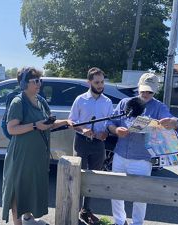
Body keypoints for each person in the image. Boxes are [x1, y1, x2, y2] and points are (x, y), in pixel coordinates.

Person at [2, 67, 72, 225]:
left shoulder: (40, 100)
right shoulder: (18, 102)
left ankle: (28, 216)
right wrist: (34, 126)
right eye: (35, 81)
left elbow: (48, 124)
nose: (39, 83)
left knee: (31, 186)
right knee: (18, 189)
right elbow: (11, 129)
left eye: (40, 80)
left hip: (38, 154)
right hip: (21, 155)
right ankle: (18, 222)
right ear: (24, 83)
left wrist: (66, 122)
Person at [107, 73, 178, 225]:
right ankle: (119, 222)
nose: (146, 94)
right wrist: (115, 130)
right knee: (116, 190)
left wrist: (173, 123)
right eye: (143, 90)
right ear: (138, 88)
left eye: (150, 91)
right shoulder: (125, 102)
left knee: (140, 195)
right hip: (120, 155)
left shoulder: (159, 106)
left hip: (142, 159)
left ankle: (137, 223)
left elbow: (173, 120)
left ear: (155, 91)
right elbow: (111, 122)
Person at [69, 67, 114, 225]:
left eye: (102, 82)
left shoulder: (107, 102)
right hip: (81, 142)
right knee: (78, 176)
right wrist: (83, 129)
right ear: (89, 82)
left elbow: (109, 123)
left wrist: (106, 133)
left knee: (93, 177)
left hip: (98, 144)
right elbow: (72, 122)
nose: (100, 85)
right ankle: (73, 210)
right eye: (97, 82)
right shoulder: (80, 100)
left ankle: (86, 210)